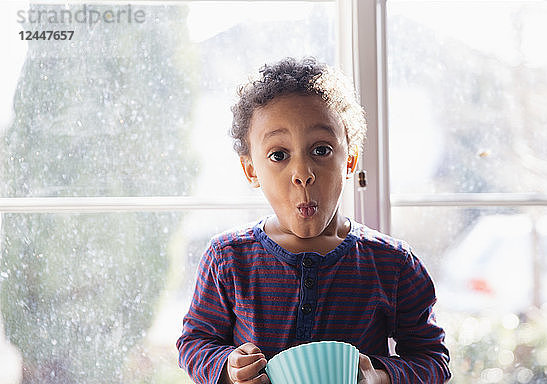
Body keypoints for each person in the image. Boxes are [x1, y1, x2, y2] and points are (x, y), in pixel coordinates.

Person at [176, 57, 451, 384]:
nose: (303, 174)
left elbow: (433, 359)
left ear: (349, 160)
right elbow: (194, 342)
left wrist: (381, 376)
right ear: (251, 171)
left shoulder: (393, 264)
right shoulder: (227, 258)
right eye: (279, 155)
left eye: (320, 150)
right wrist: (228, 366)